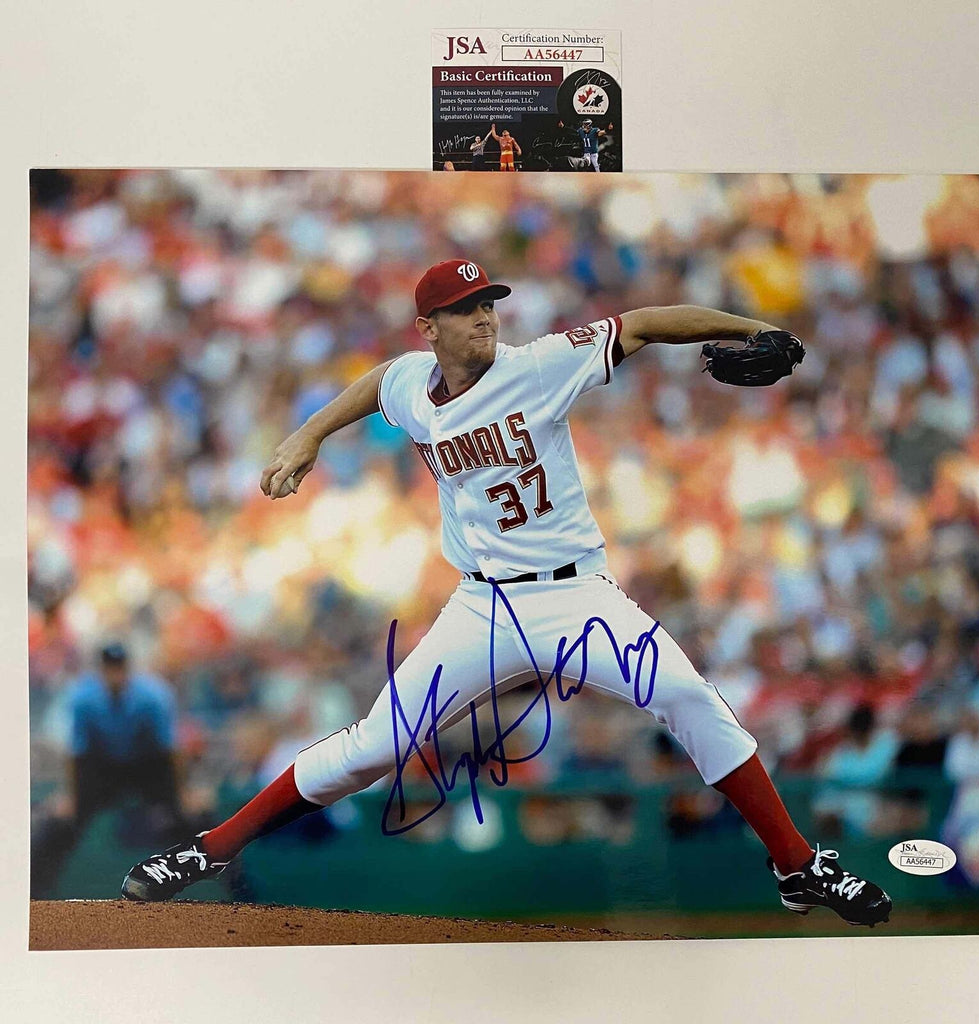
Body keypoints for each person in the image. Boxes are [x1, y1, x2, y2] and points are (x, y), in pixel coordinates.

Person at [122, 260, 892, 927]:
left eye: (487, 304)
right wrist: (310, 434)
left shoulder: (539, 365)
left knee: (688, 695)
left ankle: (797, 865)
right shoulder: (413, 384)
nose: (484, 318)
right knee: (375, 747)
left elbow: (648, 323)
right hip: (482, 608)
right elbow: (378, 384)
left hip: (576, 598)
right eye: (465, 310)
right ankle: (209, 851)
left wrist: (752, 326)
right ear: (429, 328)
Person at [33, 642, 183, 896]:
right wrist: (72, 796)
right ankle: (35, 894)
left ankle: (227, 889)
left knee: (187, 818)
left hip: (145, 768)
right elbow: (77, 752)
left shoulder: (152, 695)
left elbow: (169, 749)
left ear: (128, 668)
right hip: (103, 770)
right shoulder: (83, 697)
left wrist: (182, 793)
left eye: (119, 668)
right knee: (58, 823)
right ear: (101, 670)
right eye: (110, 668)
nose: (115, 674)